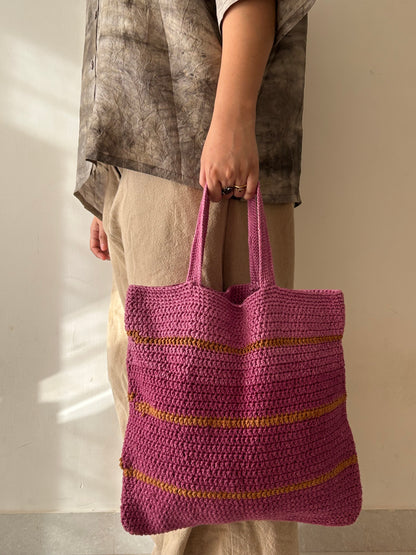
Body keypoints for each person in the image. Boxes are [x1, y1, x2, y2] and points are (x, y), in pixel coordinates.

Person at [77, 0, 317, 553]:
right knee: (161, 419)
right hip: (141, 162)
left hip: (202, 158)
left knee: (221, 429)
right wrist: (105, 185)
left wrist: (232, 121)